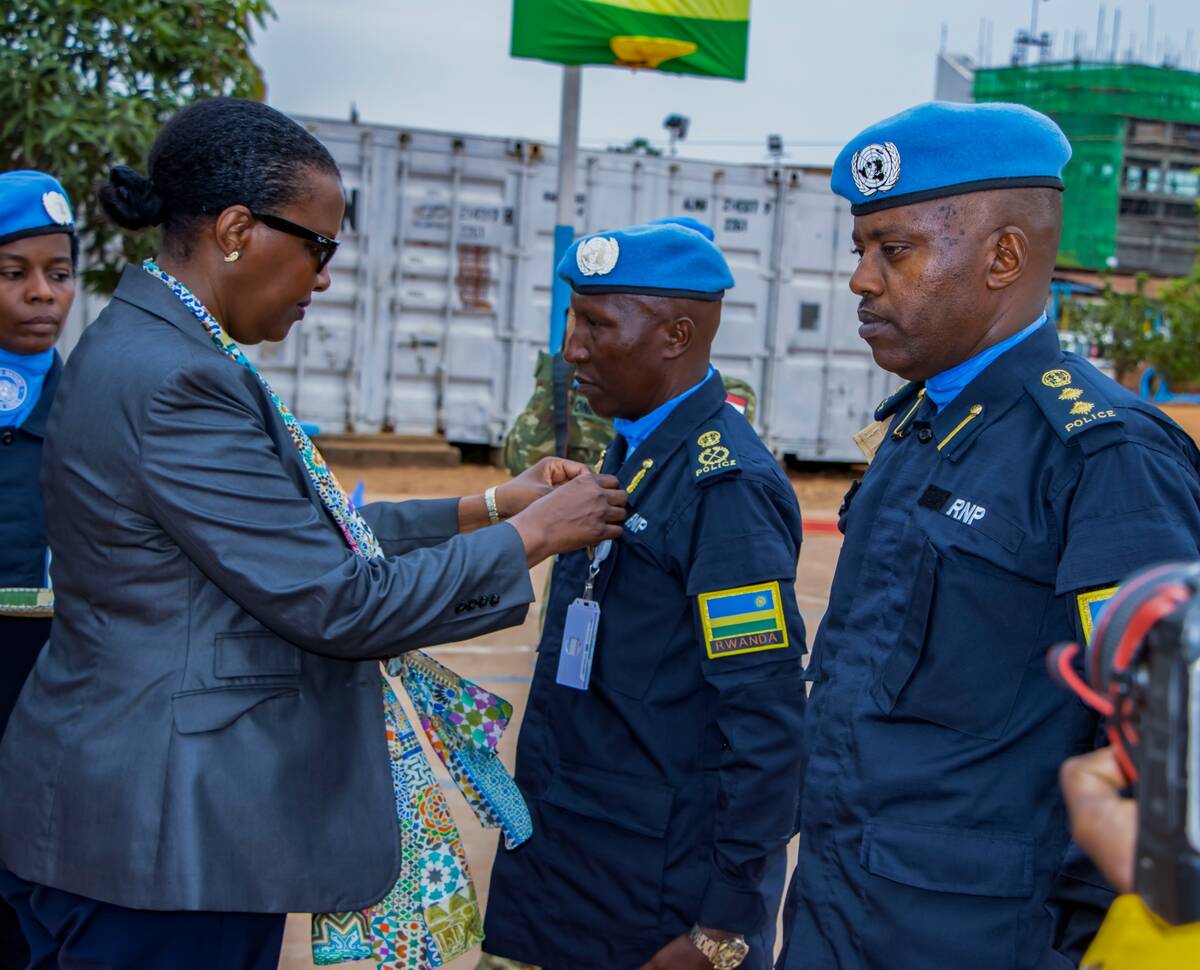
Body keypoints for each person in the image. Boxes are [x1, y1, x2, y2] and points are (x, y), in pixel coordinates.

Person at [0, 97, 626, 970]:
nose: (324, 279)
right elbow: (338, 601)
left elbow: (289, 535)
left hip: (145, 821)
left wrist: (487, 507)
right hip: (166, 837)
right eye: (318, 248)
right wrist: (536, 537)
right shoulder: (178, 380)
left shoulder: (157, 343)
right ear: (234, 231)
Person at [775, 101, 1200, 970]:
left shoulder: (1103, 454)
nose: (860, 280)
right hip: (838, 912)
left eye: (893, 250)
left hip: (982, 937)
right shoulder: (919, 427)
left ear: (1004, 257)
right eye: (859, 250)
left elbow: (1162, 757)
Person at [480, 222, 808, 970]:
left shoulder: (725, 489)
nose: (571, 349)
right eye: (573, 320)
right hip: (576, 867)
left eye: (596, 325)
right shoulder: (634, 449)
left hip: (656, 903)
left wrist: (723, 926)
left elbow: (765, 724)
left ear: (676, 335)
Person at [0, 170, 77, 969]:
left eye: (58, 273)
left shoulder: (89, 400)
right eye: (13, 272)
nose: (41, 294)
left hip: (47, 678)